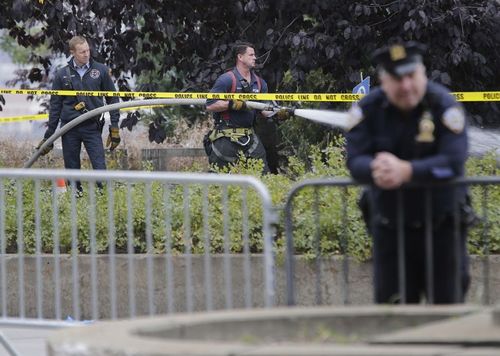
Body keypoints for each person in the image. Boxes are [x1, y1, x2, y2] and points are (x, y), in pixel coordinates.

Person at [345, 42, 470, 304]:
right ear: (384, 80)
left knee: (448, 316)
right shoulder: (367, 110)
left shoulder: (443, 106)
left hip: (442, 231)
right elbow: (355, 161)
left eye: (411, 76)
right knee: (394, 316)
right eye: (396, 79)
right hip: (391, 232)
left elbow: (453, 161)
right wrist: (374, 168)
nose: (405, 86)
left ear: (422, 73)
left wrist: (406, 171)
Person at [37, 35, 121, 189]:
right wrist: (49, 136)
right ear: (72, 52)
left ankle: (106, 205)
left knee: (100, 170)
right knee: (72, 172)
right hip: (69, 128)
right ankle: (75, 205)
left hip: (92, 126)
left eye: (88, 50)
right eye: (82, 52)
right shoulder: (62, 75)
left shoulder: (100, 70)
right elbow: (55, 107)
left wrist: (114, 127)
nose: (87, 54)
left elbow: (113, 99)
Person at [205, 42, 290, 173]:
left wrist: (279, 112)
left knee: (264, 175)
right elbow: (210, 105)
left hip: (249, 138)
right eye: (251, 55)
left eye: (254, 55)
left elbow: (264, 109)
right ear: (240, 57)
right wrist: (231, 104)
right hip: (225, 138)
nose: (255, 58)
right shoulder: (227, 80)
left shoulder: (260, 84)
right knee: (217, 180)